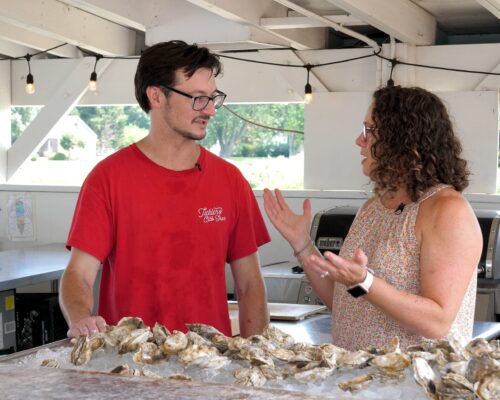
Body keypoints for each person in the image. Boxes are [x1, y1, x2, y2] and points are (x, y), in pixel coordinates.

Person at [59, 40, 270, 339]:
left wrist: (256, 354)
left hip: (209, 367)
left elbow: (250, 285)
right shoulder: (107, 179)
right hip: (128, 366)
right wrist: (81, 318)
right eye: (198, 98)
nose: (210, 110)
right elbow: (78, 274)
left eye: (213, 98)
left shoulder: (231, 181)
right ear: (156, 96)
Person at [264, 86, 482, 351]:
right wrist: (302, 244)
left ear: (403, 138)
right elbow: (343, 300)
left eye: (369, 130)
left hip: (413, 386)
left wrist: (365, 281)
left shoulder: (447, 210)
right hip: (360, 382)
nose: (359, 140)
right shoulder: (373, 207)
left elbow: (437, 323)